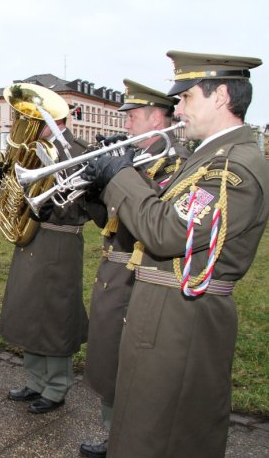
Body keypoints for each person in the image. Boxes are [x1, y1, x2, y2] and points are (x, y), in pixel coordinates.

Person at [83, 51, 267, 458]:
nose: (178, 109)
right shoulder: (209, 157)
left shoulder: (231, 168)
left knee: (167, 433)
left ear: (220, 95)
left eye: (185, 98)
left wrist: (121, 176)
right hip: (166, 311)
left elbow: (167, 232)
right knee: (144, 427)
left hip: (182, 319)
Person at [79, 79, 188, 458]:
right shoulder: (132, 160)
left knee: (137, 371)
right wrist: (95, 194)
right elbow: (108, 223)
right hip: (114, 275)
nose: (126, 125)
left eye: (134, 117)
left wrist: (122, 177)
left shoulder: (175, 166)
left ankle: (133, 442)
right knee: (111, 363)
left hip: (142, 277)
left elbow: (156, 220)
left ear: (158, 118)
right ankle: (115, 436)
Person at [0, 100, 106, 413]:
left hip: (60, 241)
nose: (30, 124)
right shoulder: (34, 148)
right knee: (30, 312)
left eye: (36, 118)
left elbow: (91, 206)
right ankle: (35, 380)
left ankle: (57, 386)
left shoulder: (80, 150)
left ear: (54, 119)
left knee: (56, 316)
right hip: (30, 236)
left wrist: (57, 206)